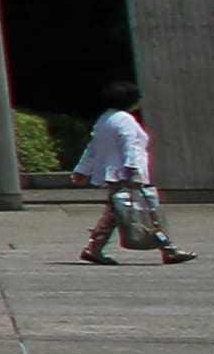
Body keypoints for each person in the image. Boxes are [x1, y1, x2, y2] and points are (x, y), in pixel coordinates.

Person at [74, 83, 191, 265]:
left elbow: (93, 148)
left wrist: (82, 169)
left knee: (117, 213)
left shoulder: (105, 119)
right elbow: (131, 146)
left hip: (114, 174)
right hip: (126, 175)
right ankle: (168, 248)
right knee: (148, 211)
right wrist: (133, 169)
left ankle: (95, 247)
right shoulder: (125, 120)